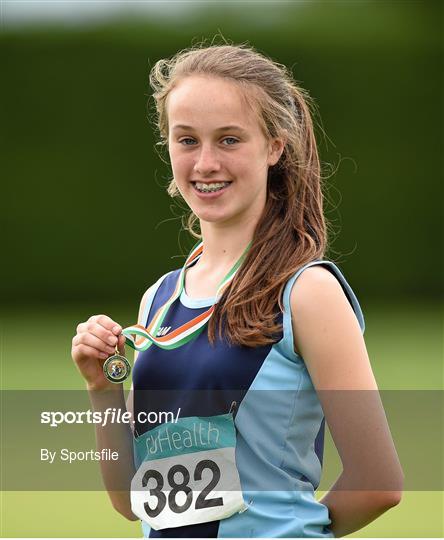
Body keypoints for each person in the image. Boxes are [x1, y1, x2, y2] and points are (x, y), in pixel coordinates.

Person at [71, 42, 404, 538]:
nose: (205, 162)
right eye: (187, 140)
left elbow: (379, 483)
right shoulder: (158, 300)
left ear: (275, 146)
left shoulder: (307, 292)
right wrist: (102, 387)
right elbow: (131, 501)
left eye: (229, 140)